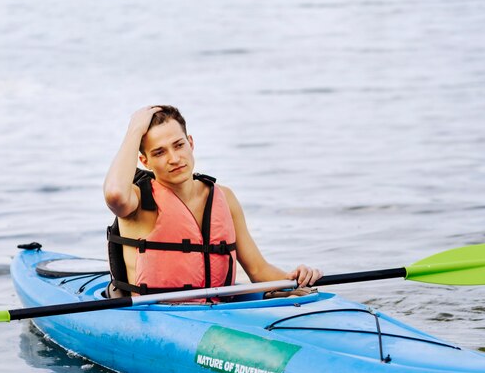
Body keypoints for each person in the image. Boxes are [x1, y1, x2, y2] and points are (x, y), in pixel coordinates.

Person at [103, 105, 323, 299]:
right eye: (159, 152)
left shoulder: (224, 198)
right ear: (145, 161)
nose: (174, 158)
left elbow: (258, 270)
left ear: (191, 143)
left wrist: (296, 279)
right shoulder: (138, 202)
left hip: (218, 311)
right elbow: (114, 194)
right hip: (158, 313)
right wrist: (135, 130)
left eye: (178, 145)